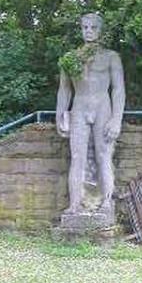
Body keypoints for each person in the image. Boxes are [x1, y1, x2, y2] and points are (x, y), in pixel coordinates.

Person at [56, 13, 125, 217]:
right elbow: (64, 89)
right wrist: (60, 114)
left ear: (100, 30)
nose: (89, 31)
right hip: (79, 106)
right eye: (85, 27)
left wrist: (116, 119)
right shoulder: (70, 58)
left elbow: (118, 89)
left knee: (104, 156)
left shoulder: (111, 57)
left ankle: (106, 203)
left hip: (103, 107)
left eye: (93, 27)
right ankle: (75, 204)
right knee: (76, 157)